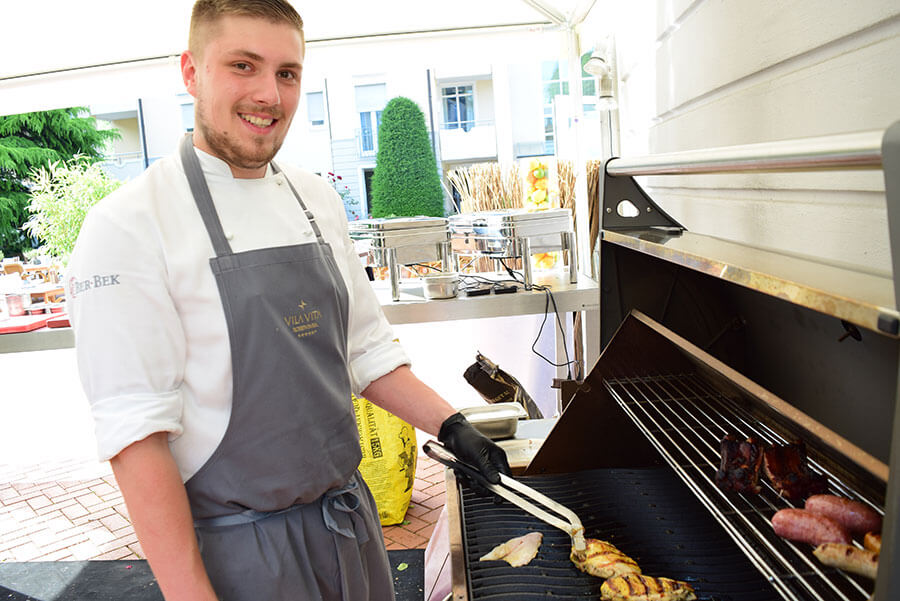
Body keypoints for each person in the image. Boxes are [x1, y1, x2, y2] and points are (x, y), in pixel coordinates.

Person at [66, 1, 510, 599]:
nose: (269, 95)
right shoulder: (127, 226)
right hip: (240, 555)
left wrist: (455, 427)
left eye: (287, 73)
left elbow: (365, 349)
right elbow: (136, 437)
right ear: (191, 72)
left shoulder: (314, 198)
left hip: (351, 529)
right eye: (242, 65)